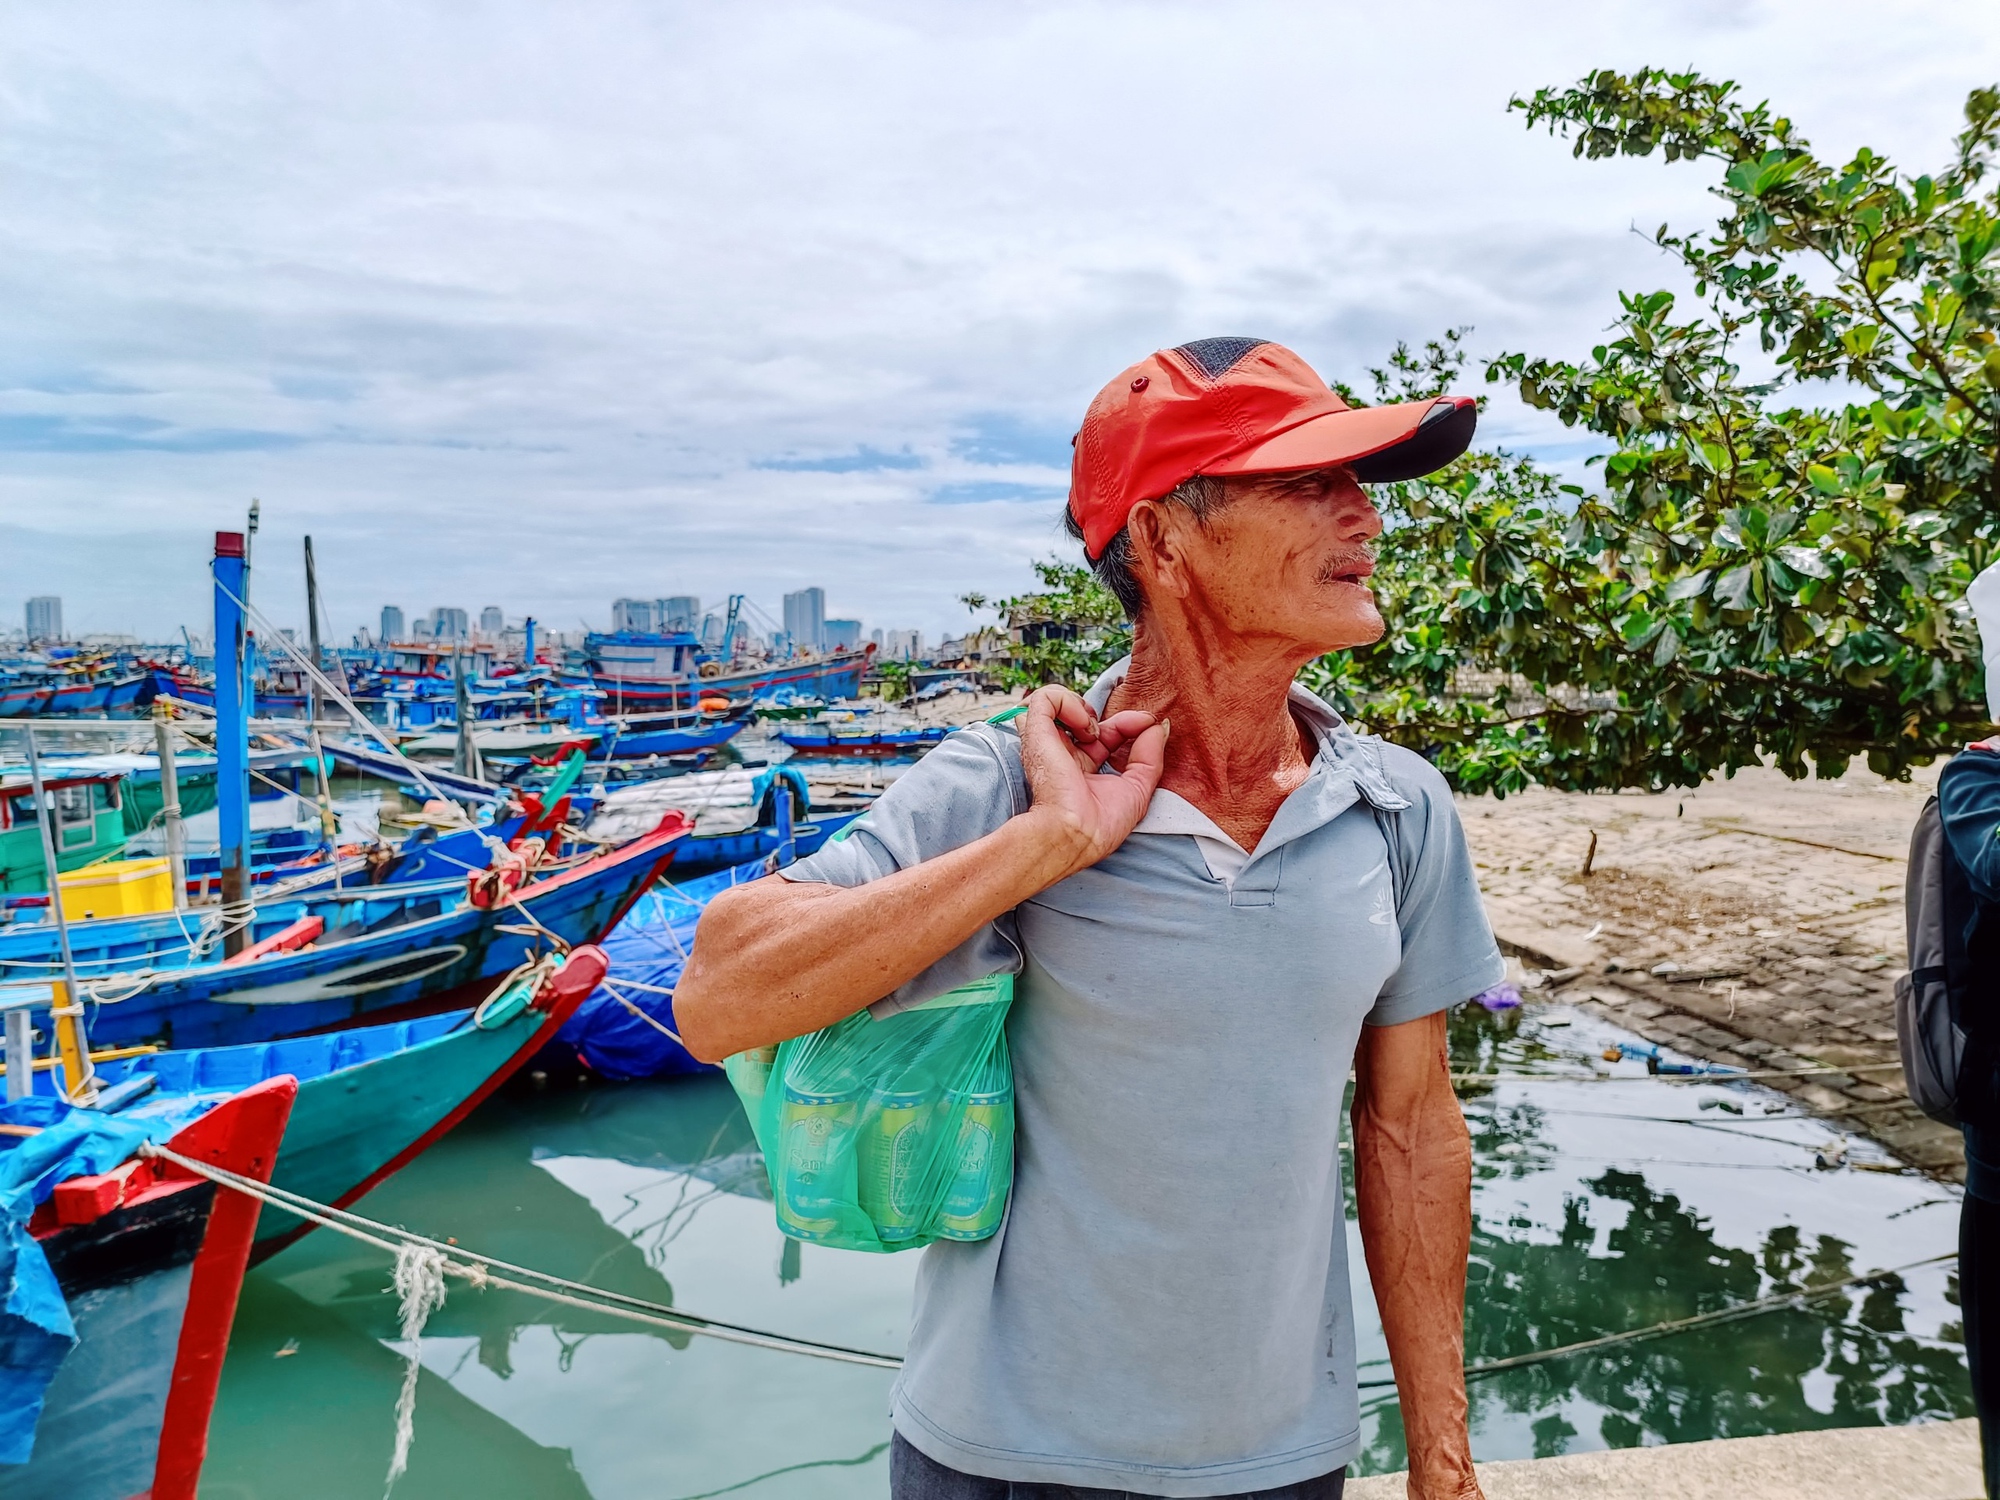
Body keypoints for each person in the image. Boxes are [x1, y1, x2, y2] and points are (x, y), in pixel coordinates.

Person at [676, 337, 1499, 1499]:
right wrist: (1049, 842)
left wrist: (1442, 1457)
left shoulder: (1394, 802)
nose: (1362, 519)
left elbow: (1410, 1135)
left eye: (1357, 485)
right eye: (1308, 485)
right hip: (1000, 1461)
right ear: (1162, 539)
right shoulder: (1003, 783)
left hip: (1287, 1462)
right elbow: (719, 997)